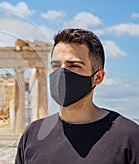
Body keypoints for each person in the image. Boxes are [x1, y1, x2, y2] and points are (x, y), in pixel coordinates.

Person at [15, 28, 139, 164]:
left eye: (74, 65)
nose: (61, 73)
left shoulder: (130, 138)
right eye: (56, 65)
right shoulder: (33, 134)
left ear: (97, 77)